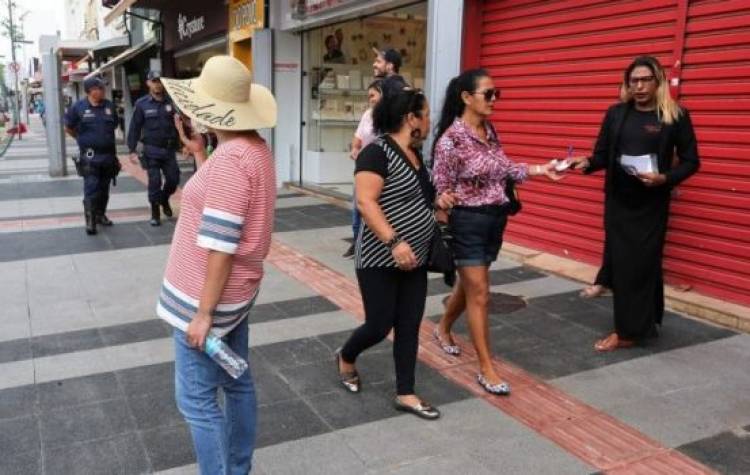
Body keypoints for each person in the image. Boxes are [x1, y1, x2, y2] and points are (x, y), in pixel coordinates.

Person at [157, 55, 277, 474]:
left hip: (207, 297)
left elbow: (221, 244)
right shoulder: (254, 149)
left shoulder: (231, 160)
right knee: (236, 381)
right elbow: (225, 204)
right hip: (237, 293)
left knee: (196, 400)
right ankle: (238, 468)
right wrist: (199, 156)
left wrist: (202, 315)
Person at [431, 69, 563, 395]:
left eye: (495, 93)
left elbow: (503, 170)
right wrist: (442, 199)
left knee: (470, 284)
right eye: (487, 94)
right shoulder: (451, 140)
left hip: (495, 220)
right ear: (466, 97)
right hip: (468, 222)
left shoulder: (489, 130)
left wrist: (541, 170)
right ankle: (486, 367)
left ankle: (443, 328)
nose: (494, 100)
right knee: (480, 294)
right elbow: (440, 185)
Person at [335, 84, 453, 420]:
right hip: (380, 257)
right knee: (379, 324)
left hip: (414, 258)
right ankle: (346, 355)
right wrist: (394, 241)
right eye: (426, 114)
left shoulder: (416, 156)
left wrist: (438, 200)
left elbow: (420, 196)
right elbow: (366, 202)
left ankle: (406, 392)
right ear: (410, 118)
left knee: (409, 325)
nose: (430, 121)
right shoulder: (376, 153)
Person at [568, 55, 700, 351]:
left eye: (645, 80)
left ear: (658, 82)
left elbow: (692, 162)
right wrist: (585, 162)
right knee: (631, 264)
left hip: (651, 205)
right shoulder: (616, 114)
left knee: (636, 266)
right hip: (618, 202)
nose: (639, 86)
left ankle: (626, 332)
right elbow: (602, 155)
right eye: (633, 81)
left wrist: (665, 178)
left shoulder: (675, 116)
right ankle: (646, 321)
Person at [64, 76, 120, 235]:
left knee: (104, 190)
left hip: (108, 156)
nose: (103, 90)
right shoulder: (78, 107)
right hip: (90, 158)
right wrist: (81, 139)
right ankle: (90, 221)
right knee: (91, 189)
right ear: (91, 90)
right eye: (100, 88)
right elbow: (68, 127)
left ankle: (100, 214)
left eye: (103, 88)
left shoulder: (109, 106)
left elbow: (114, 125)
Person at [127, 71, 181, 226]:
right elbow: (135, 127)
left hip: (169, 151)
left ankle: (164, 199)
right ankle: (155, 211)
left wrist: (184, 144)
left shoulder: (171, 102)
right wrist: (132, 149)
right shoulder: (142, 104)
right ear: (148, 83)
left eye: (159, 81)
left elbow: (180, 125)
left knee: (173, 180)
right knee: (154, 181)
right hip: (151, 151)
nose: (157, 84)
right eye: (154, 81)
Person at [343, 79, 382, 258]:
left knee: (370, 207)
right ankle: (357, 242)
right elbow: (357, 138)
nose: (371, 100)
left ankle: (370, 246)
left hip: (378, 170)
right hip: (362, 167)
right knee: (357, 209)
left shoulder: (390, 118)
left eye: (373, 95)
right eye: (369, 97)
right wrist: (354, 149)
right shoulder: (368, 114)